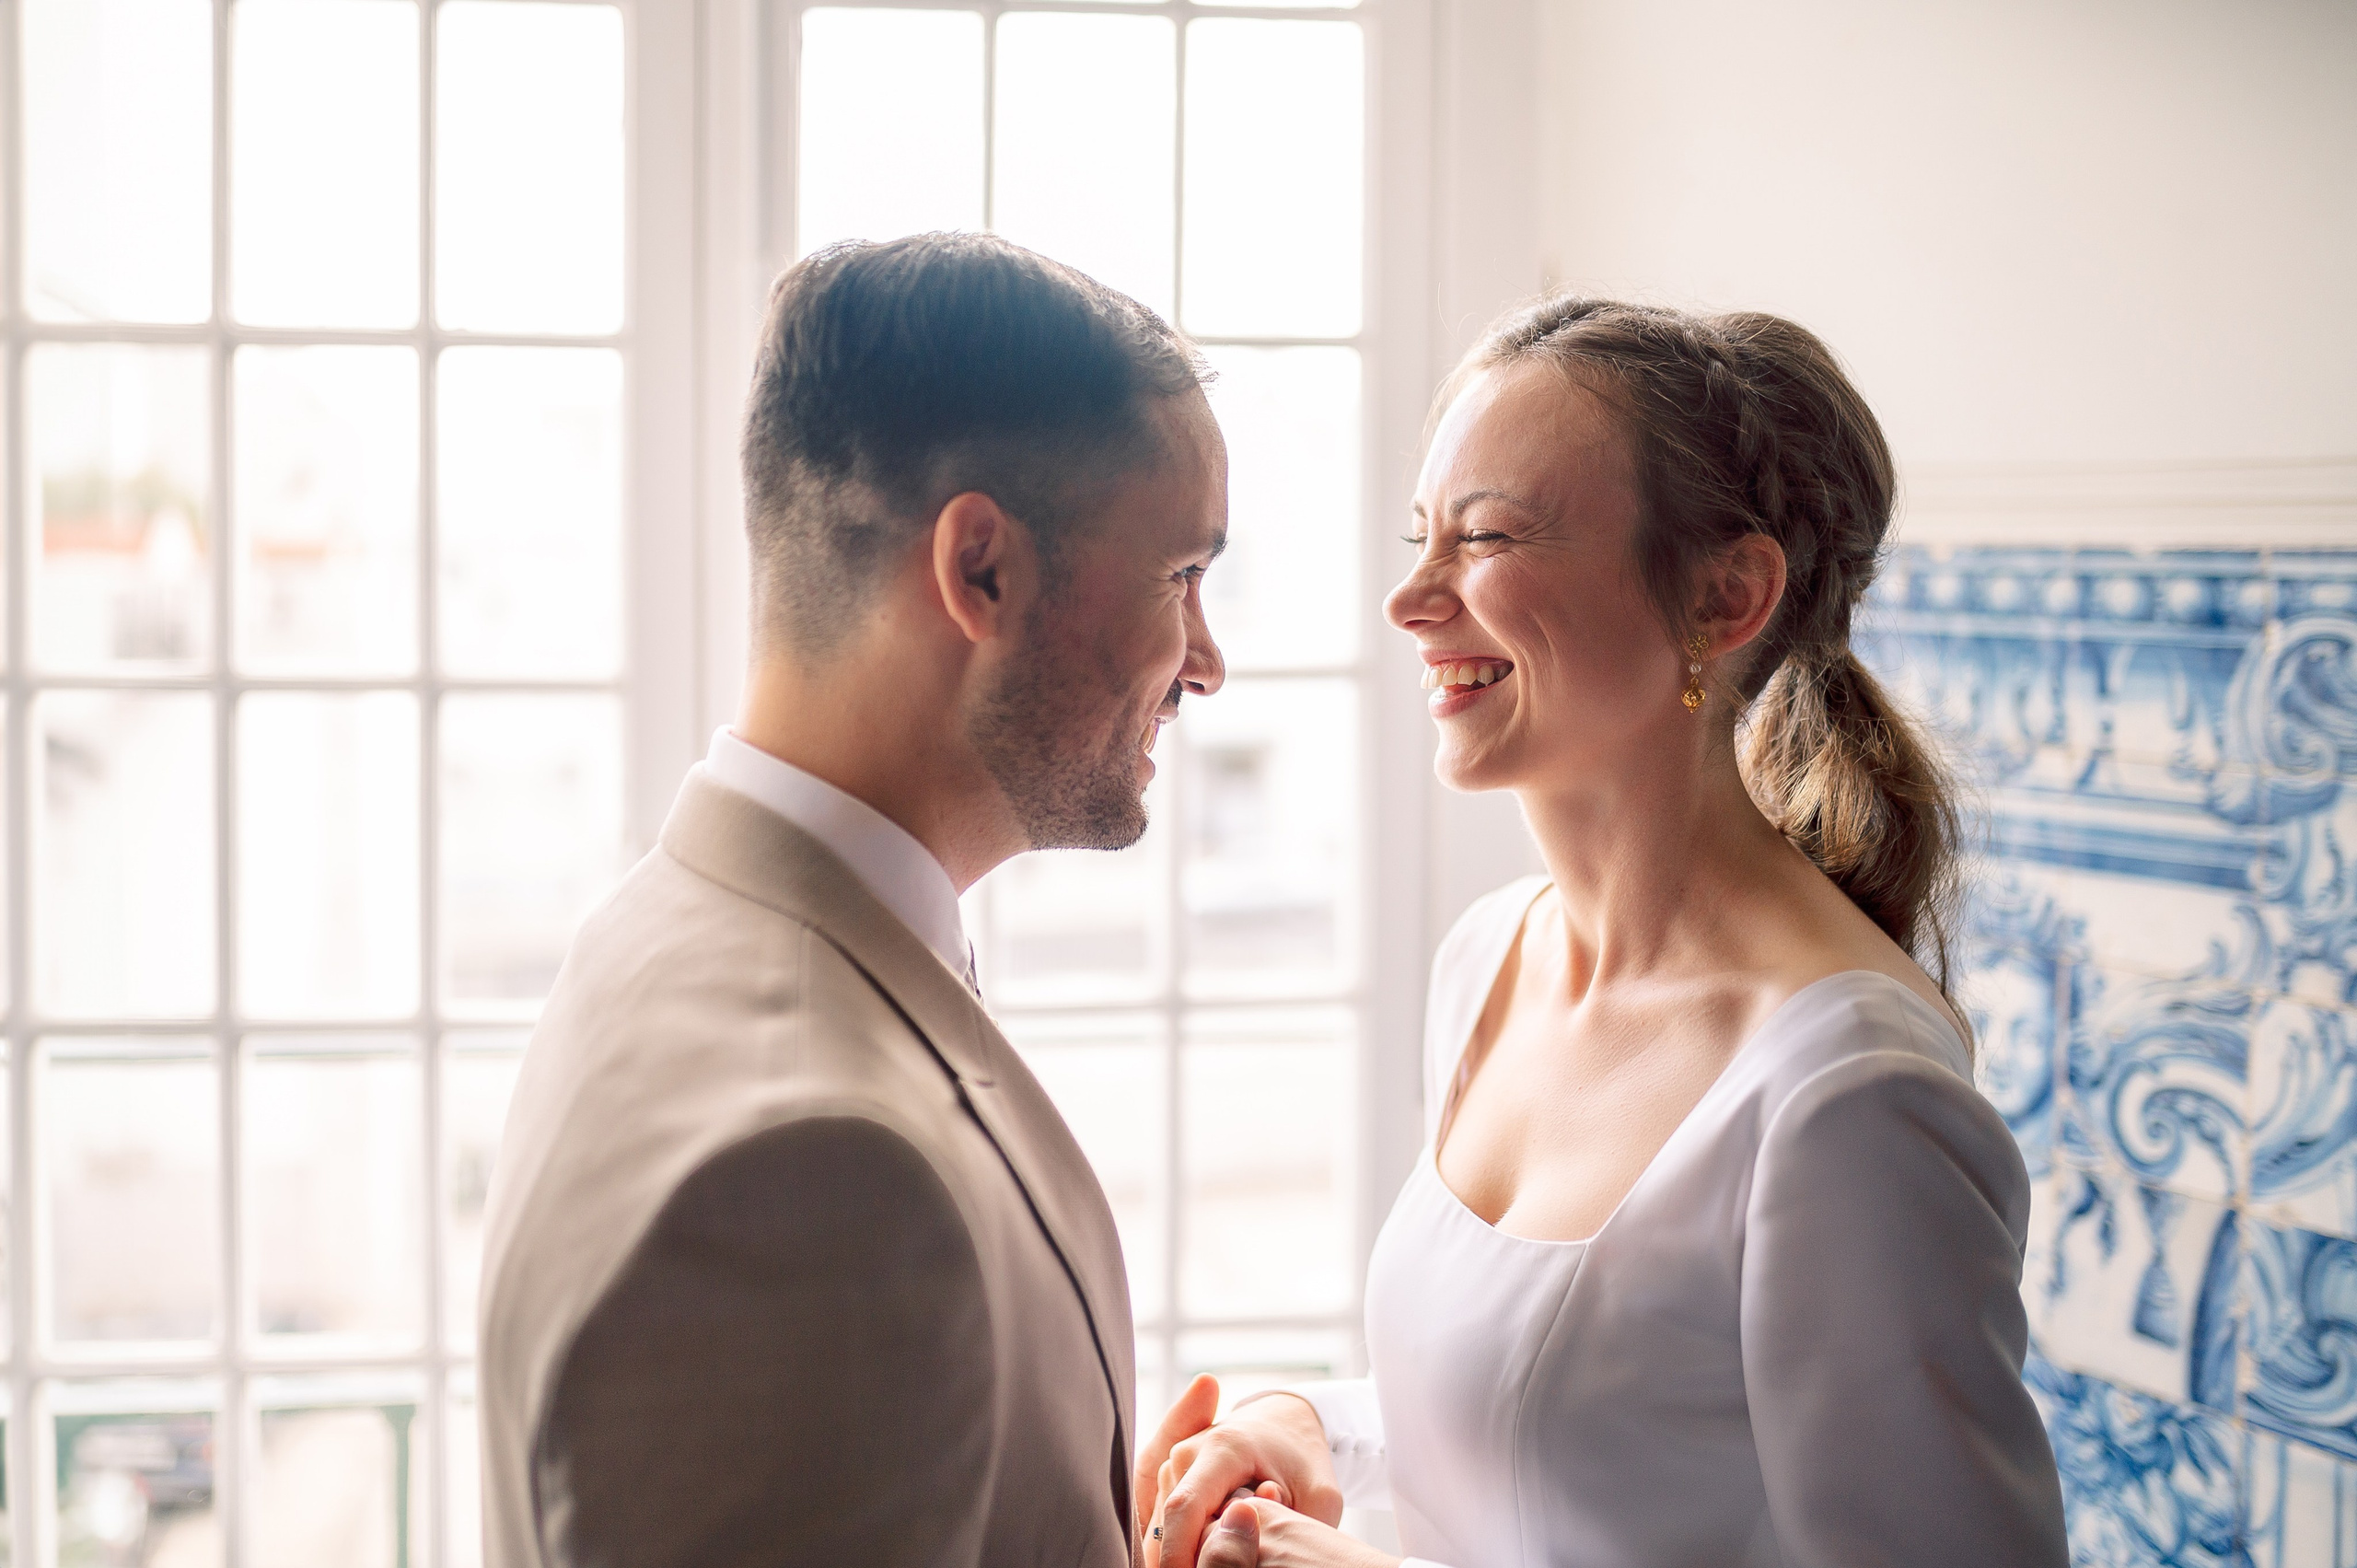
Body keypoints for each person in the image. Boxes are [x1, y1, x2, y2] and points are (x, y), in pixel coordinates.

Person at [1148, 297, 2070, 1568]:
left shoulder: (1847, 1098)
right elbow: (1585, 1442)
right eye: (1422, 537)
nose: (1410, 600)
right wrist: (1307, 1426)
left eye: (1486, 539)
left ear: (1725, 596)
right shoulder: (1490, 963)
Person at [477, 233, 1234, 1568]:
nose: (1208, 663)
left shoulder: (664, 928)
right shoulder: (815, 1183)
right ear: (981, 569)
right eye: (1182, 577)